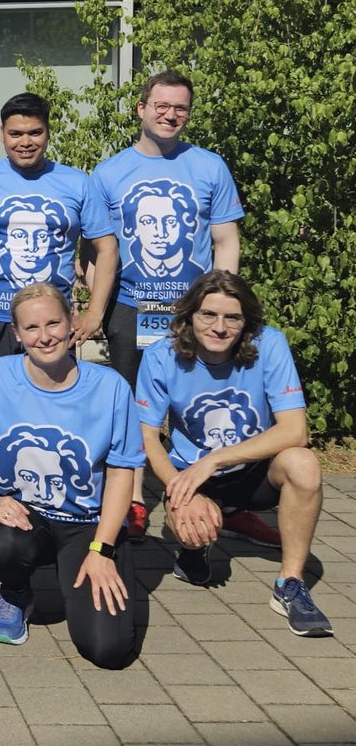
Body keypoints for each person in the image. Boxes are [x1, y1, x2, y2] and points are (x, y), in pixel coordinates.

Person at [0, 92, 118, 550]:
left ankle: (51, 503)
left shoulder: (77, 183)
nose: (26, 142)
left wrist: (93, 311)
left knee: (47, 417)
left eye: (35, 132)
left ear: (48, 133)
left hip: (52, 330)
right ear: (2, 135)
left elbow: (106, 247)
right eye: (16, 133)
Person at [0, 284, 145, 668]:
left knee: (109, 651)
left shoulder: (111, 387)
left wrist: (103, 549)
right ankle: (16, 590)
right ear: (17, 334)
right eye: (32, 328)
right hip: (22, 517)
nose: (45, 336)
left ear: (71, 321)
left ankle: (89, 565)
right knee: (1, 546)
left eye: (53, 323)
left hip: (86, 524)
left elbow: (122, 470)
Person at [89, 69, 244, 542]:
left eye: (180, 107)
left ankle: (209, 500)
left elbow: (226, 240)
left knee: (193, 407)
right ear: (141, 109)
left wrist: (221, 307)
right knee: (133, 407)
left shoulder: (209, 167)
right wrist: (95, 308)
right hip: (130, 308)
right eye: (161, 105)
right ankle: (133, 498)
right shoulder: (110, 172)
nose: (170, 114)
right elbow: (96, 249)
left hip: (191, 314)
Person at [136, 271, 330, 636]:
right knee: (189, 522)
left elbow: (295, 430)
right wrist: (179, 486)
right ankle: (193, 548)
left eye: (233, 318)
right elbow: (145, 436)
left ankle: (290, 583)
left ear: (247, 323)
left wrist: (215, 458)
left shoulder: (269, 344)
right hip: (192, 474)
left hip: (253, 471)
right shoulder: (161, 354)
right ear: (189, 315)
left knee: (303, 464)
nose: (220, 327)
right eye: (208, 314)